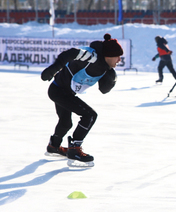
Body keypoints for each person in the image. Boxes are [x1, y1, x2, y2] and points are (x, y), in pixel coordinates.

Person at [41, 33, 123, 164]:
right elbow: (72, 53)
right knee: (90, 115)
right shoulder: (93, 57)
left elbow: (103, 90)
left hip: (64, 92)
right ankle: (75, 148)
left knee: (66, 122)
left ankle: (54, 146)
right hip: (58, 90)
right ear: (108, 56)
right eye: (117, 56)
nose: (119, 60)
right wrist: (53, 68)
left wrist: (109, 82)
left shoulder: (106, 68)